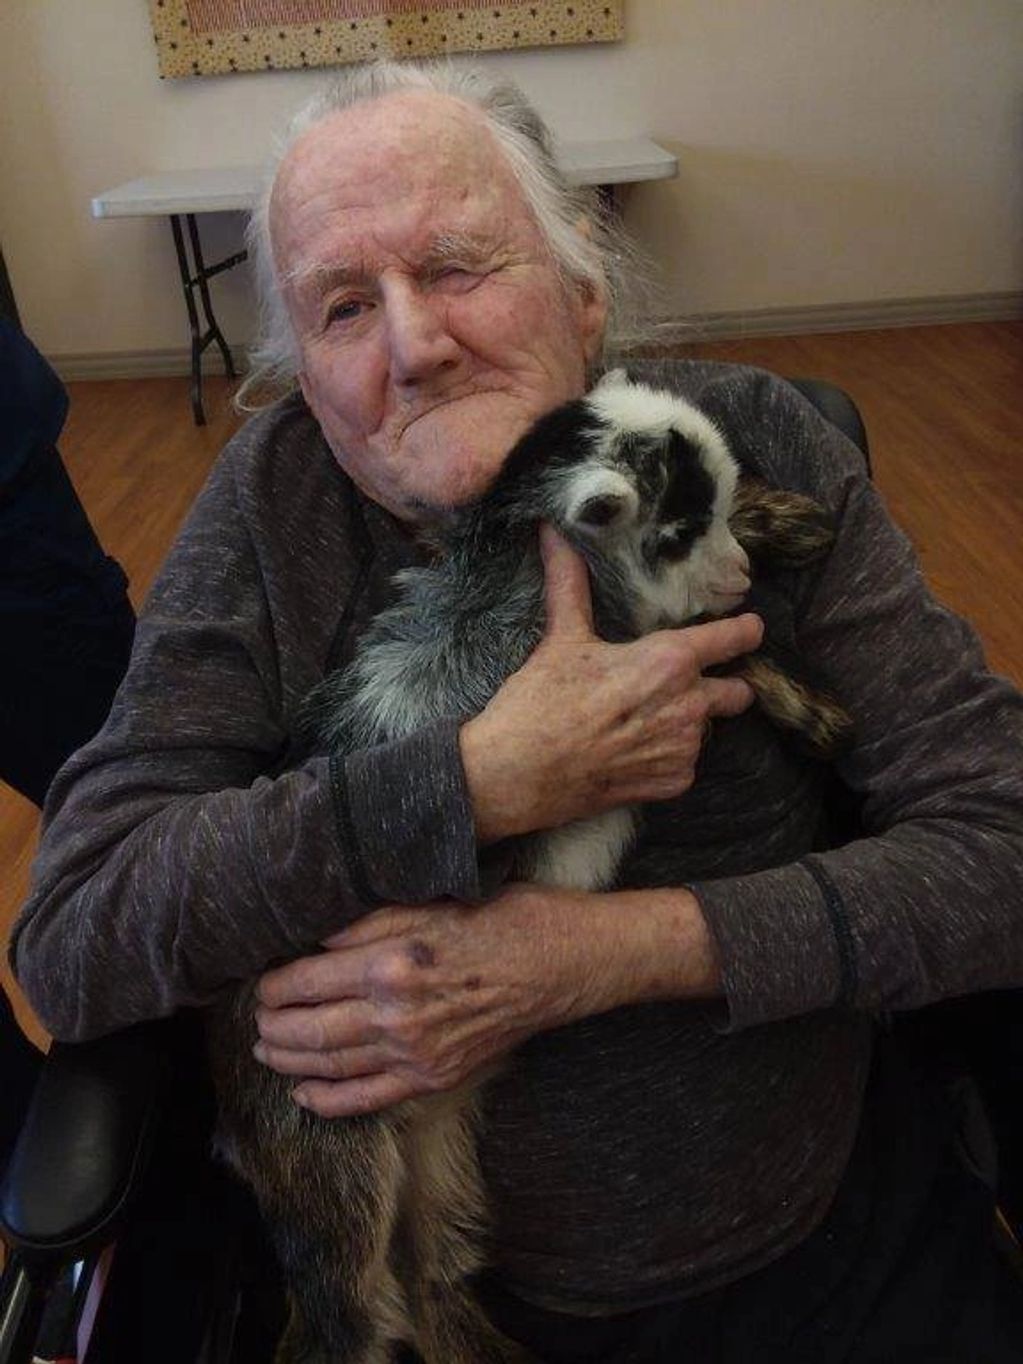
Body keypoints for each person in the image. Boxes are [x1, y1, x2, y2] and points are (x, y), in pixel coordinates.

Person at [9, 61, 1023, 1361]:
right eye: (340, 307)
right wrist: (482, 779)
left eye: (457, 267)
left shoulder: (749, 450)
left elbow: (1000, 843)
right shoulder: (279, 510)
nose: (412, 345)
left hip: (820, 1247)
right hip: (451, 1305)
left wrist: (597, 956)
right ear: (302, 377)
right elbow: (81, 927)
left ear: (583, 288)